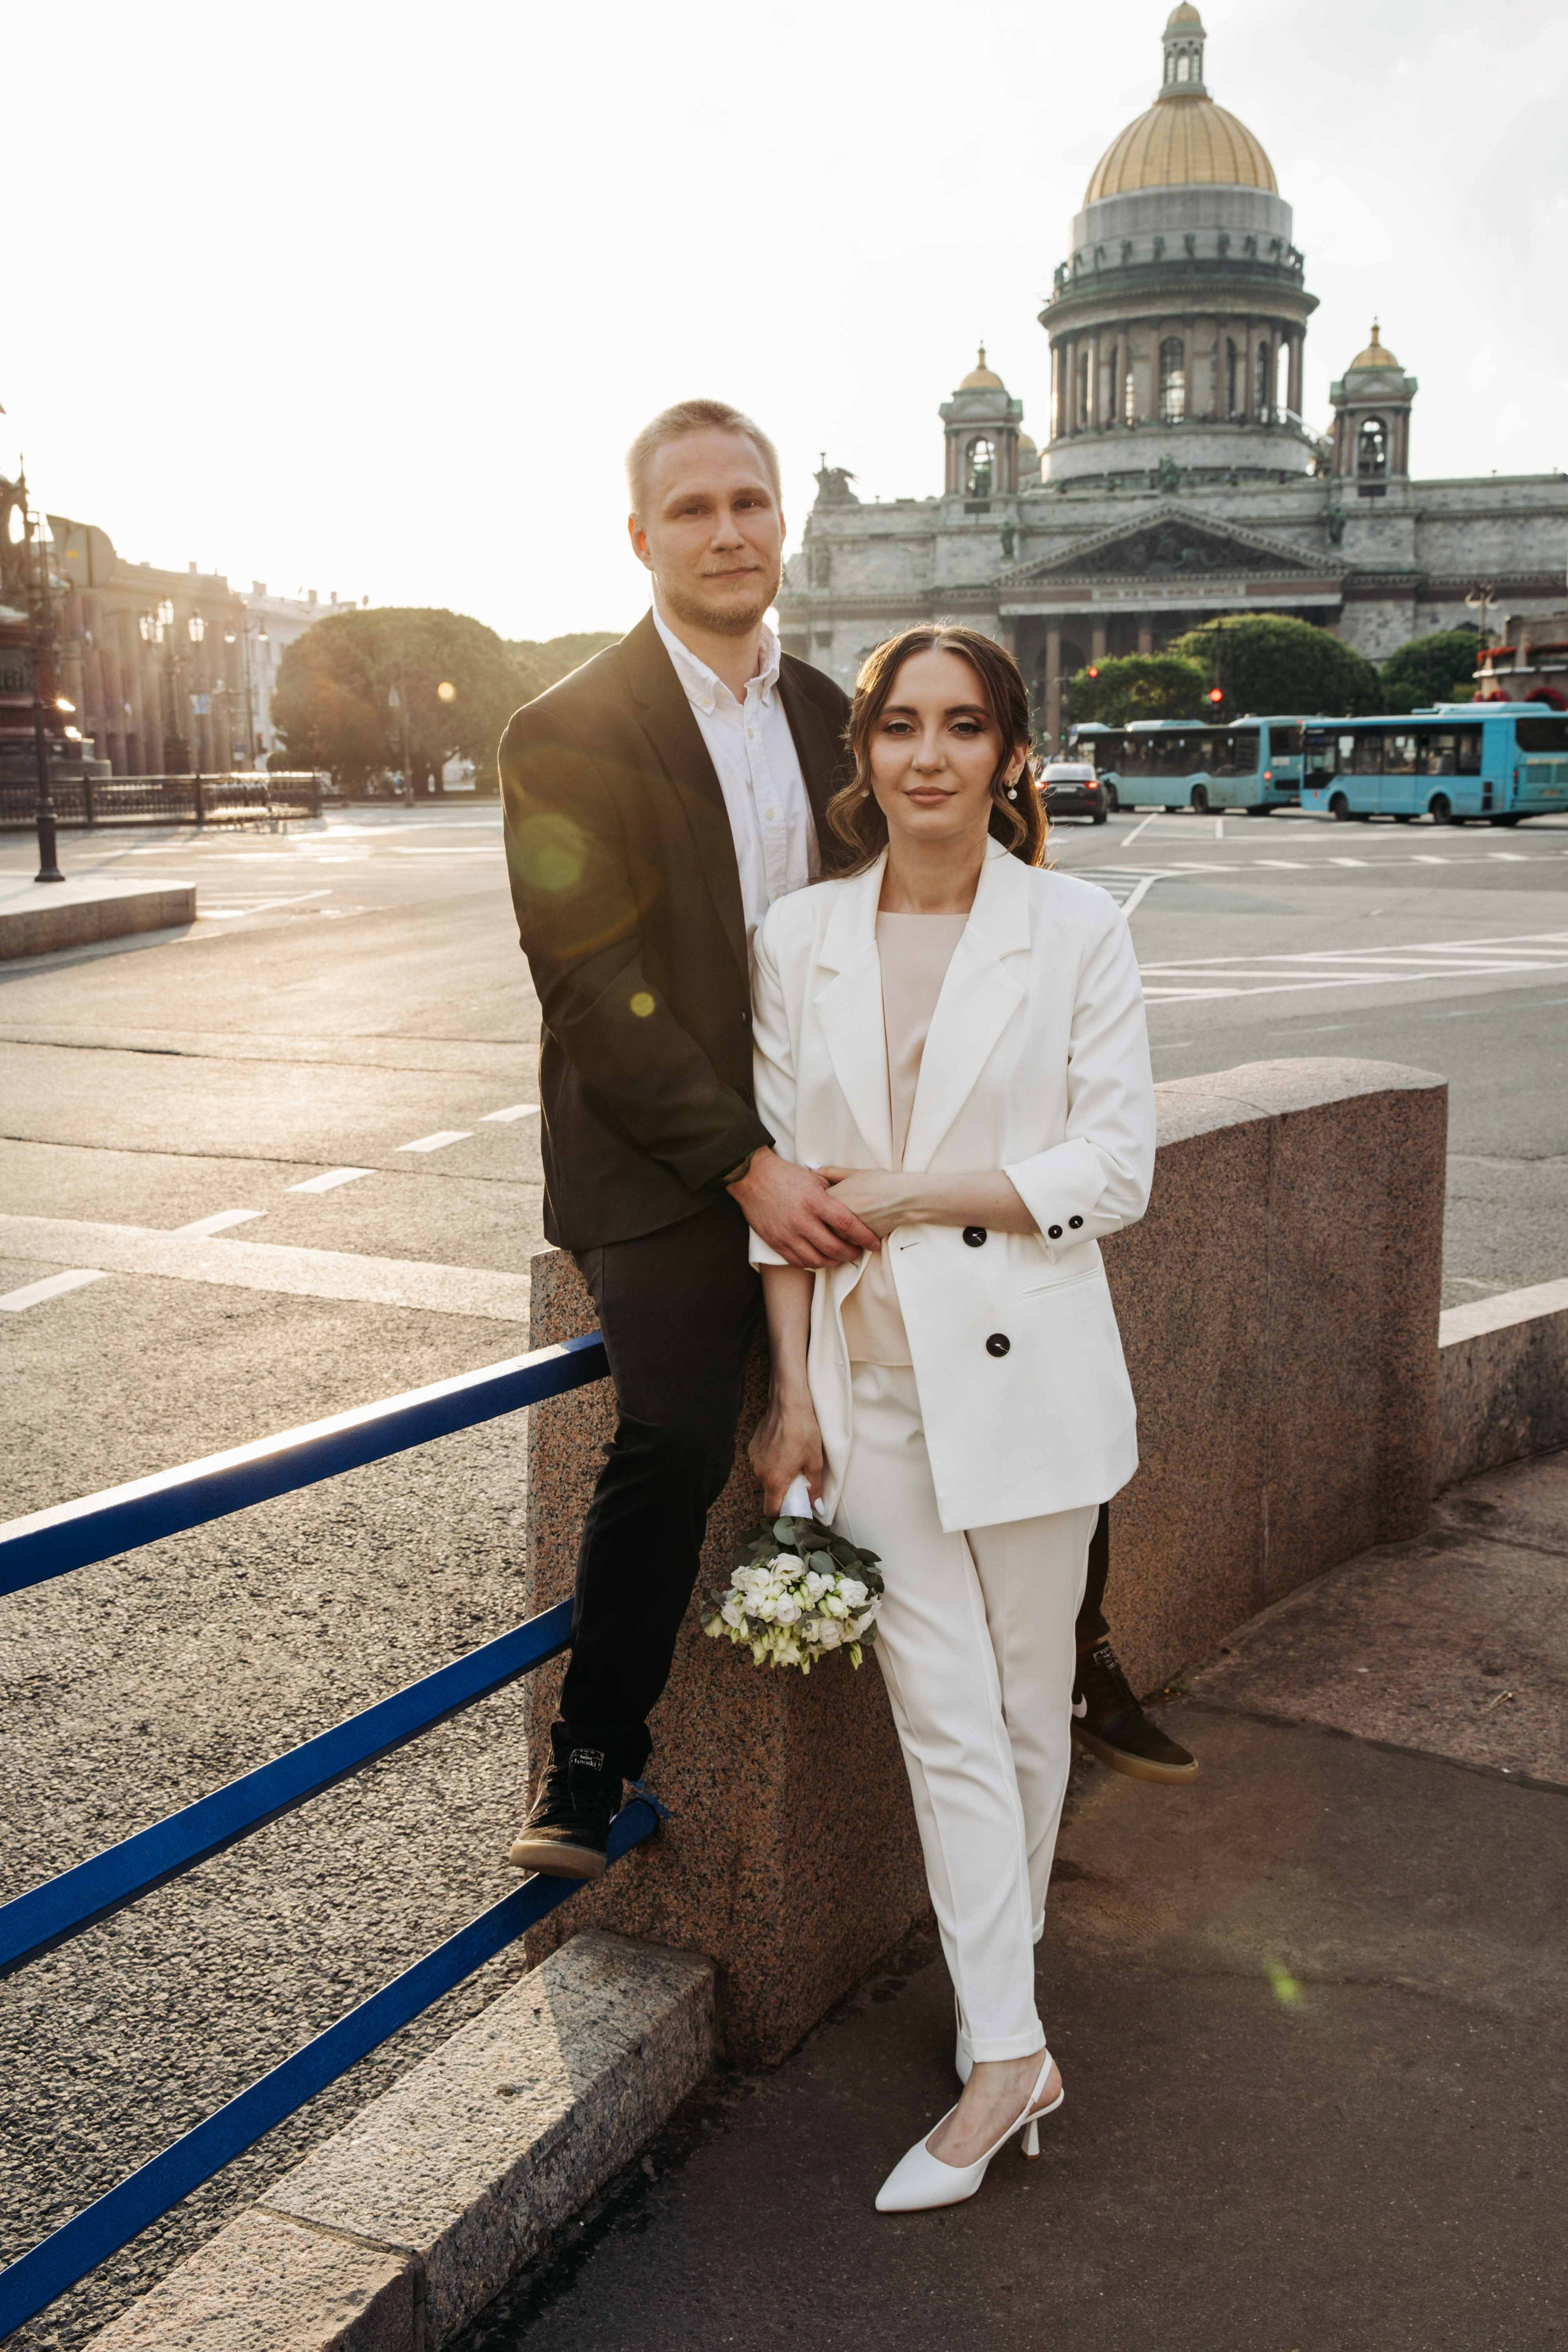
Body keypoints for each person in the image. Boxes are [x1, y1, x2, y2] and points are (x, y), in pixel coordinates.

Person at [747, 625, 1156, 2211]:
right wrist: (790, 1393)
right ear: (862, 754)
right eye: (902, 728)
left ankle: (1009, 1995)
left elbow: (1114, 1169)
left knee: (1029, 1710)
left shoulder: (1076, 929)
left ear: (1008, 753)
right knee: (943, 1713)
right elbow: (781, 1191)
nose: (930, 757)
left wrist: (915, 1190)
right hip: (866, 1383)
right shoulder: (798, 936)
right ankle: (1007, 2054)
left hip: (1034, 1380)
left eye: (964, 728)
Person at [499, 399, 881, 1880]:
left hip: (826, 1132)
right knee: (665, 1427)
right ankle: (591, 1755)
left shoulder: (829, 713)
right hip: (653, 1158)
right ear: (641, 538)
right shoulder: (565, 727)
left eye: (750, 503)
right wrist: (744, 1164)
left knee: (989, 1333)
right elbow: (592, 986)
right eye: (694, 510)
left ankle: (1071, 1657)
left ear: (782, 522)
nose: (728, 532)